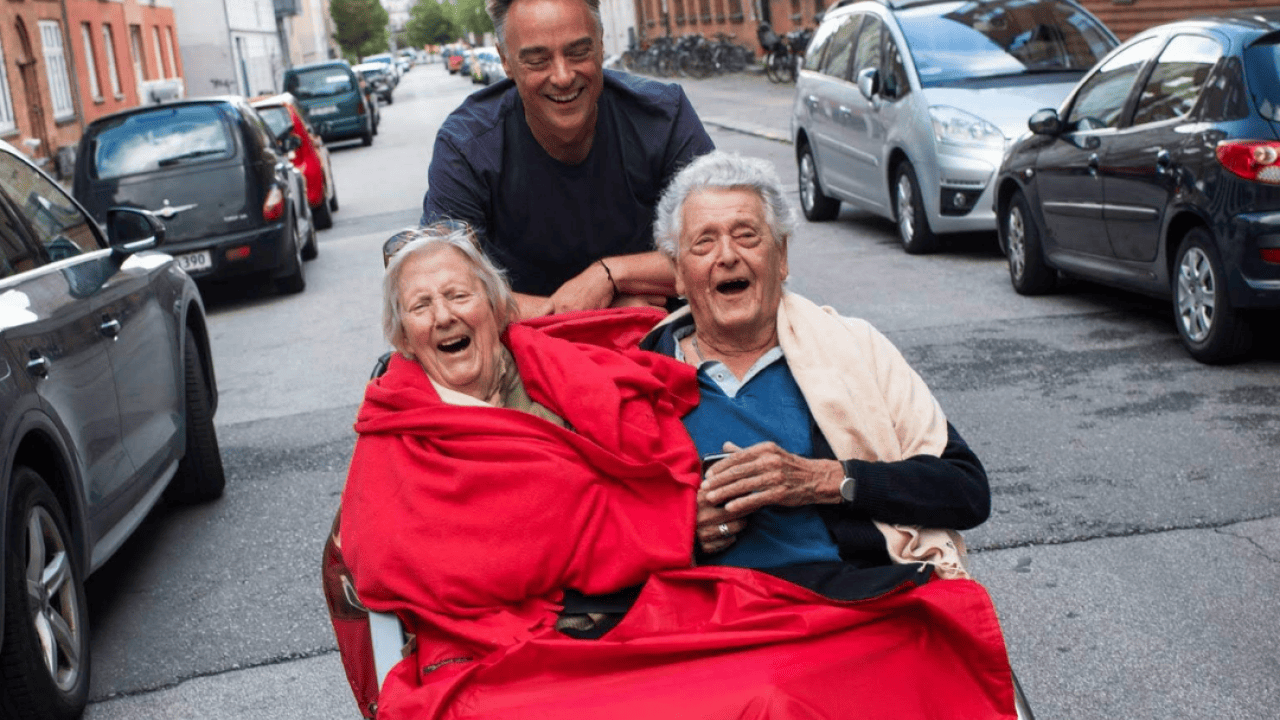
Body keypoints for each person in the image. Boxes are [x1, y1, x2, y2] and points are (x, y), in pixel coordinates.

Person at [332, 219, 1016, 720]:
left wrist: (819, 479)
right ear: (402, 335)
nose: (444, 316)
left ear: (496, 307)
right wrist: (666, 524)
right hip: (529, 642)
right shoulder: (398, 425)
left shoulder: (563, 363)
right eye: (421, 306)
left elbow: (642, 433)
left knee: (829, 665)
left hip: (654, 601)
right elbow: (392, 558)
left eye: (459, 296)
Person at [642, 150, 991, 588]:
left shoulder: (853, 347)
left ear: (781, 256)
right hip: (701, 616)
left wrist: (828, 480)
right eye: (704, 243)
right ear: (676, 273)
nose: (727, 256)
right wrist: (680, 529)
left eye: (747, 235)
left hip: (847, 600)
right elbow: (582, 529)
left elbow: (966, 490)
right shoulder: (638, 374)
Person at [420, 0, 715, 320]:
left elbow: (723, 250)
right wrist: (585, 315)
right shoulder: (468, 147)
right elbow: (441, 286)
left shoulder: (662, 117)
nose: (562, 76)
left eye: (578, 53)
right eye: (537, 60)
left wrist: (611, 274)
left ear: (601, 45)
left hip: (659, 336)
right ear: (505, 61)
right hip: (526, 350)